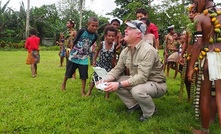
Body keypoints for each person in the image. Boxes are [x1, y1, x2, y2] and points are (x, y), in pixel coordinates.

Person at [101, 20, 167, 122]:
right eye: (126, 28)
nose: (125, 30)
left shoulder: (147, 50)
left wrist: (118, 84)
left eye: (130, 28)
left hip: (156, 83)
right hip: (140, 81)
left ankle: (150, 112)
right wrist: (105, 80)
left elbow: (142, 77)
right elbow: (117, 69)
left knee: (137, 91)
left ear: (138, 34)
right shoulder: (126, 50)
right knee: (113, 81)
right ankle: (135, 105)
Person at [187, 0, 221, 133]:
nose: (194, 6)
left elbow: (197, 44)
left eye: (195, 2)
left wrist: (190, 68)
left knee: (205, 95)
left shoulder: (200, 18)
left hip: (209, 58)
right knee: (220, 95)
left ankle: (204, 130)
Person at [61, 16, 99, 96]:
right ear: (88, 24)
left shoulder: (95, 36)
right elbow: (75, 40)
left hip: (84, 58)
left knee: (84, 75)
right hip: (74, 55)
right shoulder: (82, 31)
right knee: (69, 72)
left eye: (96, 26)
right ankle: (64, 83)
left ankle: (82, 91)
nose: (95, 27)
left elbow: (90, 45)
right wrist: (72, 51)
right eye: (93, 25)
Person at [86, 25, 118, 98]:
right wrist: (94, 60)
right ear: (105, 36)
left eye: (113, 36)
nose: (111, 37)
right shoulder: (102, 43)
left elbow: (114, 54)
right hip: (100, 64)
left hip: (108, 65)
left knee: (107, 79)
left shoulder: (114, 45)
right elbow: (97, 52)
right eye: (109, 35)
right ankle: (89, 91)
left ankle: (107, 94)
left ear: (115, 37)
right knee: (95, 77)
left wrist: (115, 64)